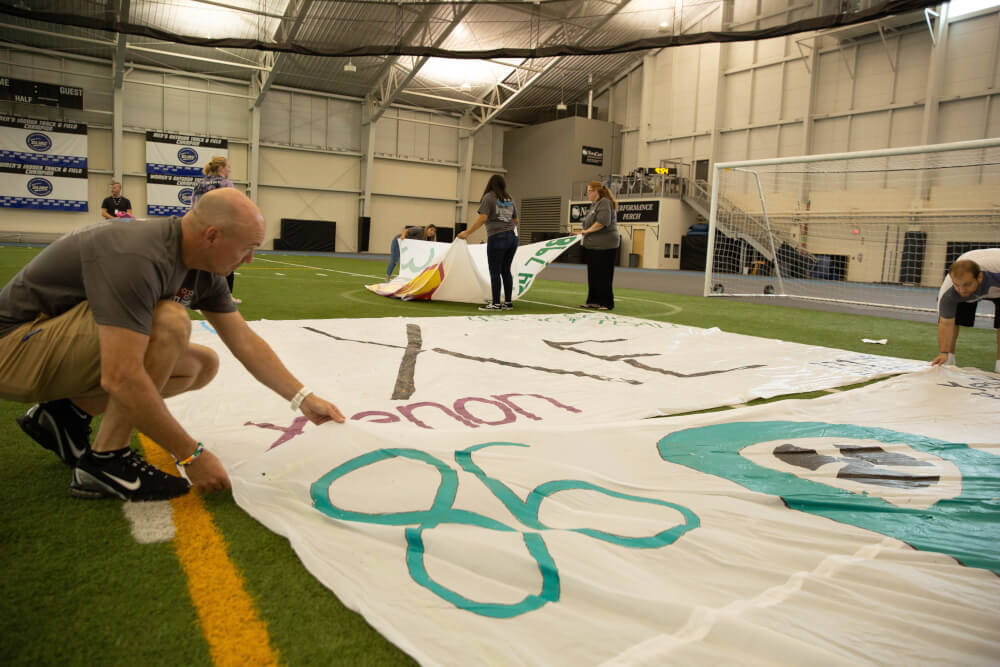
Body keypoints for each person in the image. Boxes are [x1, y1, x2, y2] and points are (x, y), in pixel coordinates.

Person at [1, 188, 346, 502]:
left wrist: (303, 398)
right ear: (212, 236)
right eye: (247, 247)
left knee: (201, 365)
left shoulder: (203, 267)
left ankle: (65, 415)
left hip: (44, 345)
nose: (250, 259)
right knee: (169, 321)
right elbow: (120, 376)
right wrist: (190, 454)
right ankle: (106, 460)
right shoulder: (136, 253)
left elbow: (244, 340)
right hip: (13, 350)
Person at [932, 248, 1000, 372]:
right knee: (954, 318)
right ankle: (949, 360)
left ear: (979, 277)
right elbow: (946, 323)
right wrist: (943, 353)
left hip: (995, 277)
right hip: (978, 273)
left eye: (967, 285)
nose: (962, 290)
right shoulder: (949, 292)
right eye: (957, 285)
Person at [458, 175, 519, 312]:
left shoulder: (489, 197)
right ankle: (508, 303)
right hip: (512, 238)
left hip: (497, 237)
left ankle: (496, 303)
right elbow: (515, 221)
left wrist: (467, 232)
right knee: (506, 270)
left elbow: (483, 218)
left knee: (495, 271)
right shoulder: (510, 198)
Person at [191, 156, 240, 303]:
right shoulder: (226, 184)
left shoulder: (199, 184)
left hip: (201, 226)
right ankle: (227, 295)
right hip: (220, 227)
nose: (229, 170)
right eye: (228, 167)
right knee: (227, 261)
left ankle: (198, 295)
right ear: (221, 168)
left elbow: (193, 208)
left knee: (202, 263)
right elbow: (232, 206)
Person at [578, 181, 620, 311]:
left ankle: (607, 302)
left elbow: (603, 222)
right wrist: (583, 231)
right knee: (593, 274)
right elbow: (589, 223)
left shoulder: (604, 202)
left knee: (604, 275)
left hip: (605, 246)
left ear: (596, 191)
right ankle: (593, 301)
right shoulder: (594, 205)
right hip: (593, 246)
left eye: (589, 191)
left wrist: (588, 231)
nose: (588, 194)